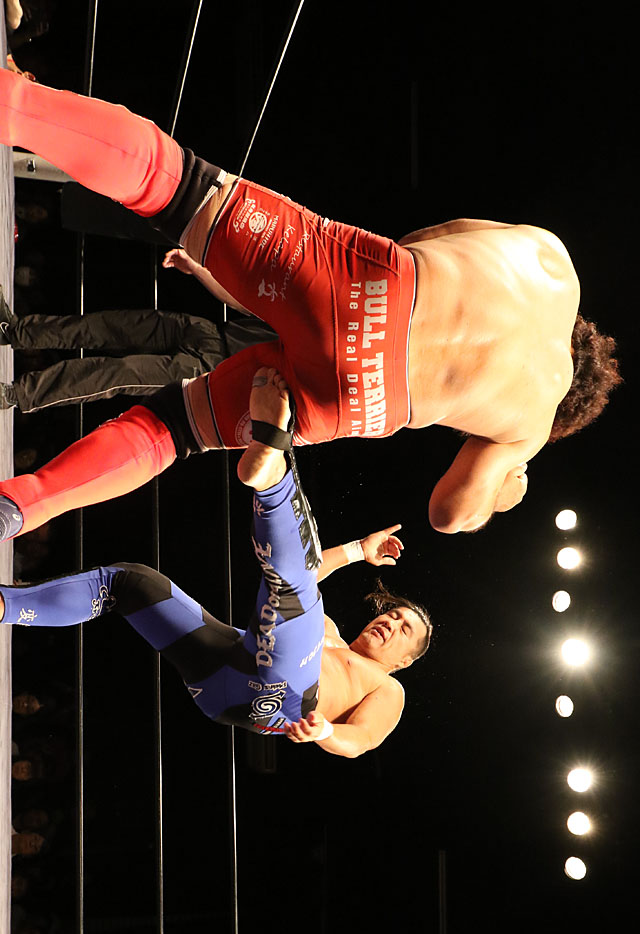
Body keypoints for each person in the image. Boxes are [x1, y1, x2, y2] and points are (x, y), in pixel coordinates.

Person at [0, 72, 621, 541]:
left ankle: (15, 102)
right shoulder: (531, 425)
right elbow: (449, 514)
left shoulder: (553, 260)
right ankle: (19, 507)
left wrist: (338, 289)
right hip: (366, 397)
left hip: (377, 288)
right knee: (172, 432)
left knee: (175, 182)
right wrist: (500, 495)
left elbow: (429, 240)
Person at [1, 368, 431, 757]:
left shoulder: (387, 688)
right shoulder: (327, 632)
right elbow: (308, 574)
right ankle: (7, 605)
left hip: (284, 702)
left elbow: (361, 740)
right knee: (128, 585)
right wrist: (358, 550)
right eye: (394, 615)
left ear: (405, 661)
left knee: (295, 587)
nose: (390, 623)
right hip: (224, 680)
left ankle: (273, 471)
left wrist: (327, 733)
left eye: (404, 629)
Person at [0, 260, 277, 412]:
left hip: (213, 370)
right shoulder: (297, 318)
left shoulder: (304, 376)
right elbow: (243, 302)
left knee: (118, 373)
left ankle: (17, 395)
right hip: (209, 332)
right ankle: (13, 331)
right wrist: (197, 269)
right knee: (107, 325)